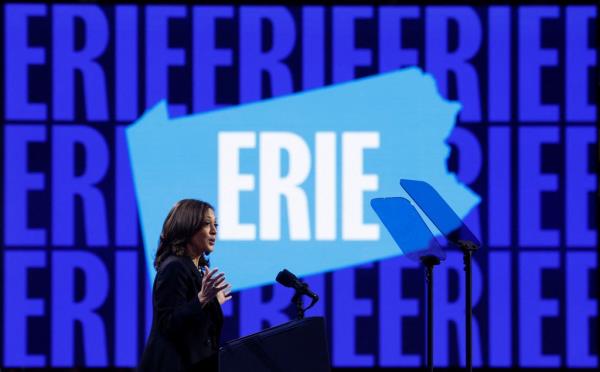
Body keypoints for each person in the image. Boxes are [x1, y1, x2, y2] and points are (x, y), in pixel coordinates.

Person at [139, 199, 231, 372]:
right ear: (187, 227)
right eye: (206, 224)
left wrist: (213, 304)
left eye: (215, 224)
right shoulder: (174, 267)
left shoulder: (197, 269)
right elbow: (168, 323)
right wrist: (203, 298)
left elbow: (195, 327)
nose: (213, 231)